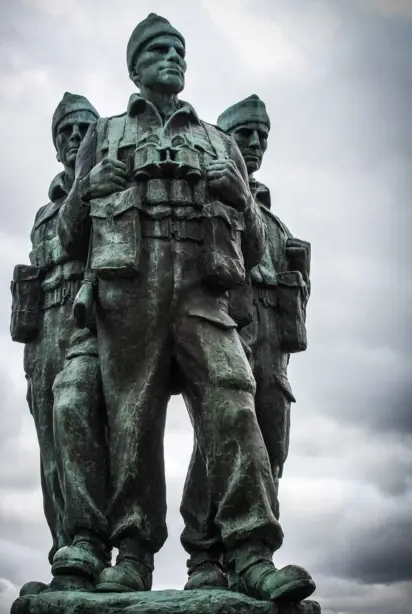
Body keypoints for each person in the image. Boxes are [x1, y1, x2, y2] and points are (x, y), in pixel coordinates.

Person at [51, 14, 315, 604]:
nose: (172, 57)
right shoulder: (108, 132)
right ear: (135, 65)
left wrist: (239, 195)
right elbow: (68, 238)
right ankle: (133, 553)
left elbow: (250, 247)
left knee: (233, 397)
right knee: (132, 421)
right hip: (130, 288)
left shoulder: (219, 143)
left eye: (179, 50)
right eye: (158, 50)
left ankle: (250, 551)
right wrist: (91, 185)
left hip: (202, 290)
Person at [180, 94, 312, 592]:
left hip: (272, 360)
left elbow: (294, 300)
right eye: (244, 133)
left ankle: (247, 562)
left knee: (269, 453)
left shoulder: (278, 228)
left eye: (262, 135)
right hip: (223, 340)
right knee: (218, 445)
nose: (254, 143)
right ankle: (206, 555)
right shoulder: (205, 202)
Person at [10, 92, 101, 595]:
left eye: (82, 128)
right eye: (64, 130)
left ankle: (95, 551)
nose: (73, 137)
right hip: (44, 328)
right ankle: (64, 556)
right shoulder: (45, 210)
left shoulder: (108, 185)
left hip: (89, 321)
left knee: (87, 438)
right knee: (50, 450)